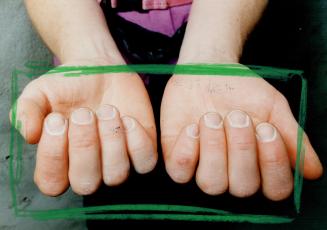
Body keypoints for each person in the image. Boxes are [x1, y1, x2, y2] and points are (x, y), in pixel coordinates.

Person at [13, 0, 322, 202]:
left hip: (232, 52)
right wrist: (87, 53)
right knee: (114, 185)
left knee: (233, 182)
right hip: (103, 81)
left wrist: (212, 54)